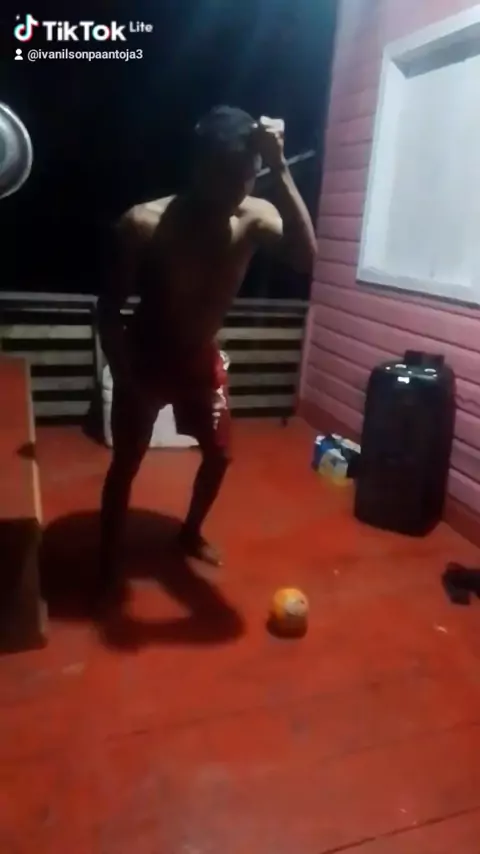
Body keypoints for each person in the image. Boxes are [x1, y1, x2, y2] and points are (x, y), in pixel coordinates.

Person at [97, 105, 317, 596]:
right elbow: (108, 308)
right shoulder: (143, 223)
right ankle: (108, 555)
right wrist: (124, 376)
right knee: (126, 462)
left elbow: (306, 260)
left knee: (219, 457)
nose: (237, 189)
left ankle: (190, 532)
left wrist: (279, 166)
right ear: (198, 167)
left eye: (247, 176)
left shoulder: (254, 217)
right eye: (225, 175)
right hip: (146, 356)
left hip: (199, 357)